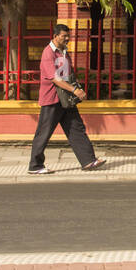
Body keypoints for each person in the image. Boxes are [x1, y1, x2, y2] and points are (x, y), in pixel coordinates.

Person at [27, 24, 106, 175]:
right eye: (64, 36)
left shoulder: (64, 52)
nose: (67, 38)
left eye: (68, 36)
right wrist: (75, 90)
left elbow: (68, 74)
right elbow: (54, 78)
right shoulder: (48, 53)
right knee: (44, 132)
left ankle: (88, 160)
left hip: (66, 99)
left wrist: (76, 87)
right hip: (52, 99)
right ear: (55, 36)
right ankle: (35, 166)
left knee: (76, 128)